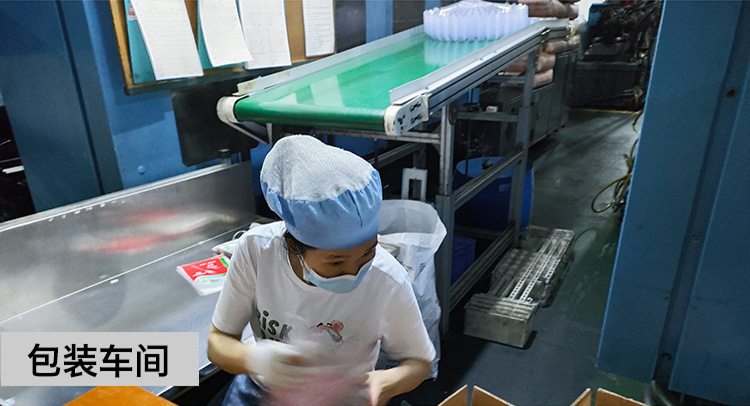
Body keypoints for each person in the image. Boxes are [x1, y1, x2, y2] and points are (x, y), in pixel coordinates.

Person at [207, 135, 435, 406]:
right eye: (336, 263)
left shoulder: (387, 281)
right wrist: (256, 360)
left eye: (368, 252)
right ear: (293, 245)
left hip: (343, 398)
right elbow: (218, 343)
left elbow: (419, 362)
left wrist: (387, 382)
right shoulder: (256, 251)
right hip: (261, 391)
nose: (354, 271)